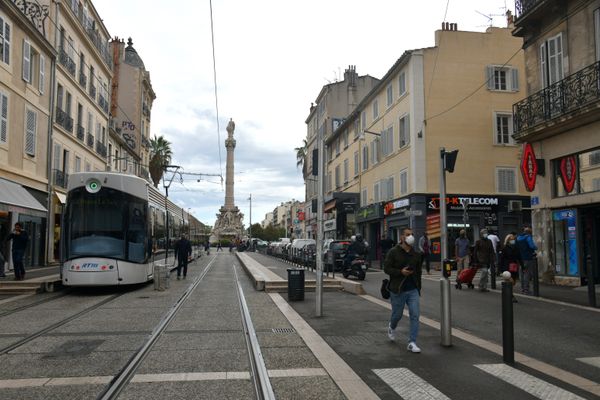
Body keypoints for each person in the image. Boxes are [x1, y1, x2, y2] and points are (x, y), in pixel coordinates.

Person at [384, 227, 422, 353]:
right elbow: (387, 269)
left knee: (415, 315)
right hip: (398, 289)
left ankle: (412, 342)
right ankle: (392, 326)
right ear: (401, 237)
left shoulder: (416, 254)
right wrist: (401, 272)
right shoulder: (393, 252)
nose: (410, 236)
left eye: (411, 234)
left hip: (412, 290)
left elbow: (418, 272)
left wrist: (418, 287)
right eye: (407, 234)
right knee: (397, 315)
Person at [499, 233, 521, 303]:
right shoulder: (505, 248)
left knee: (513, 282)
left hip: (514, 267)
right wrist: (500, 269)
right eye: (511, 239)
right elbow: (501, 259)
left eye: (513, 239)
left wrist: (523, 266)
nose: (513, 240)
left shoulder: (516, 247)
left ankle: (507, 292)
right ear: (508, 240)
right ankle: (511, 296)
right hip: (507, 267)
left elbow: (519, 257)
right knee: (510, 281)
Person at [516, 227, 537, 295]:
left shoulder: (518, 238)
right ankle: (526, 290)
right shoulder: (528, 237)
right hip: (527, 258)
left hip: (520, 258)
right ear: (529, 232)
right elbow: (532, 246)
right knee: (527, 274)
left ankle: (522, 289)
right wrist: (536, 247)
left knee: (522, 274)